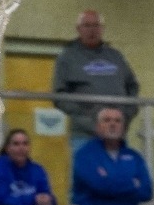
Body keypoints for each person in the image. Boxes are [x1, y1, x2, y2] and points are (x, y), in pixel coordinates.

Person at [68, 106, 154, 205]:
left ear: (123, 127)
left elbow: (146, 191)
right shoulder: (85, 154)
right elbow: (98, 185)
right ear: (98, 127)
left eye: (117, 121)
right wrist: (131, 184)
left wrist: (110, 182)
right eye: (107, 120)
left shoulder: (134, 156)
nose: (112, 124)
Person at [51, 9, 139, 150]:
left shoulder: (115, 56)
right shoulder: (67, 57)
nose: (92, 30)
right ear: (78, 29)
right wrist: (88, 120)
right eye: (87, 25)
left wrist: (125, 117)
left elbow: (132, 87)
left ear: (102, 29)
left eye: (96, 26)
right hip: (84, 135)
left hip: (117, 134)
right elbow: (59, 96)